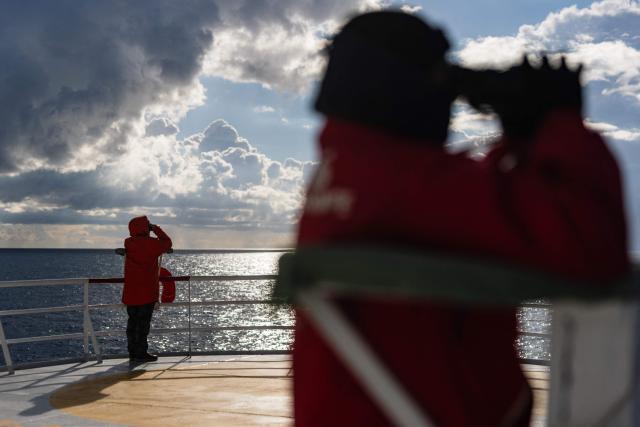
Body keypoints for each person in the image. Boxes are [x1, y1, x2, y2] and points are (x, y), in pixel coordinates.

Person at [294, 10, 629, 427]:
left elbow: (478, 209)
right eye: (440, 80)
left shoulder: (346, 178)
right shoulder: (411, 185)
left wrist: (517, 141)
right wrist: (561, 124)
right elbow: (593, 246)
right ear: (406, 88)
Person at [123, 215, 172, 362]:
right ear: (146, 228)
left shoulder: (128, 243)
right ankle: (142, 353)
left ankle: (132, 352)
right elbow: (167, 243)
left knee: (132, 324)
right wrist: (155, 228)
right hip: (147, 293)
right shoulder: (153, 244)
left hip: (131, 293)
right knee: (143, 326)